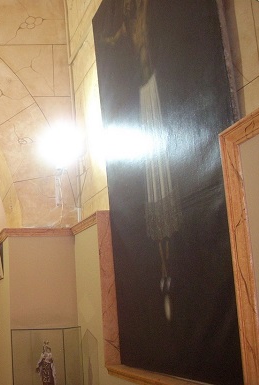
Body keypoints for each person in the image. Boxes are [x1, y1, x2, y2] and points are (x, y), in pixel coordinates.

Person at [104, 0, 181, 320]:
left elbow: (118, 33)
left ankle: (168, 267)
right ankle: (165, 267)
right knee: (155, 189)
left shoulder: (141, 19)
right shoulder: (132, 24)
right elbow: (114, 36)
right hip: (147, 96)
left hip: (153, 95)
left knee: (160, 184)